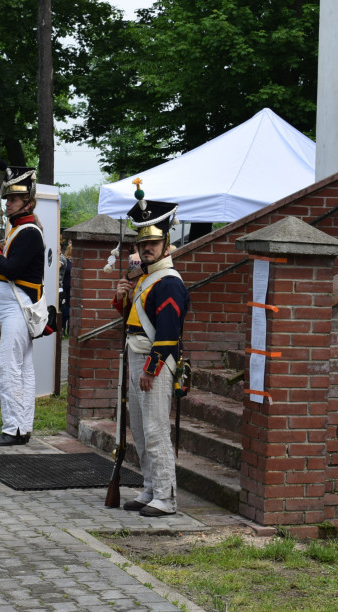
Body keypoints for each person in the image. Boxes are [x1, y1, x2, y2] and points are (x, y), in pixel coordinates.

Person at [112, 198, 190, 517]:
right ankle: (150, 487)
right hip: (138, 359)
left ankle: (166, 496)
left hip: (153, 364)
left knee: (156, 429)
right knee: (141, 431)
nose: (148, 248)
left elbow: (169, 333)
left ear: (166, 244)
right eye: (143, 242)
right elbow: (134, 321)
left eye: (154, 242)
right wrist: (122, 300)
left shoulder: (168, 282)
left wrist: (151, 369)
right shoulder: (144, 280)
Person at [0, 165, 46, 446]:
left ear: (27, 203)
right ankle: (21, 427)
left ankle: (13, 429)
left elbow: (11, 269)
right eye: (7, 199)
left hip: (18, 309)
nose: (7, 204)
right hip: (14, 309)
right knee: (21, 369)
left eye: (13, 200)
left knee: (10, 369)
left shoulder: (29, 232)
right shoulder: (21, 231)